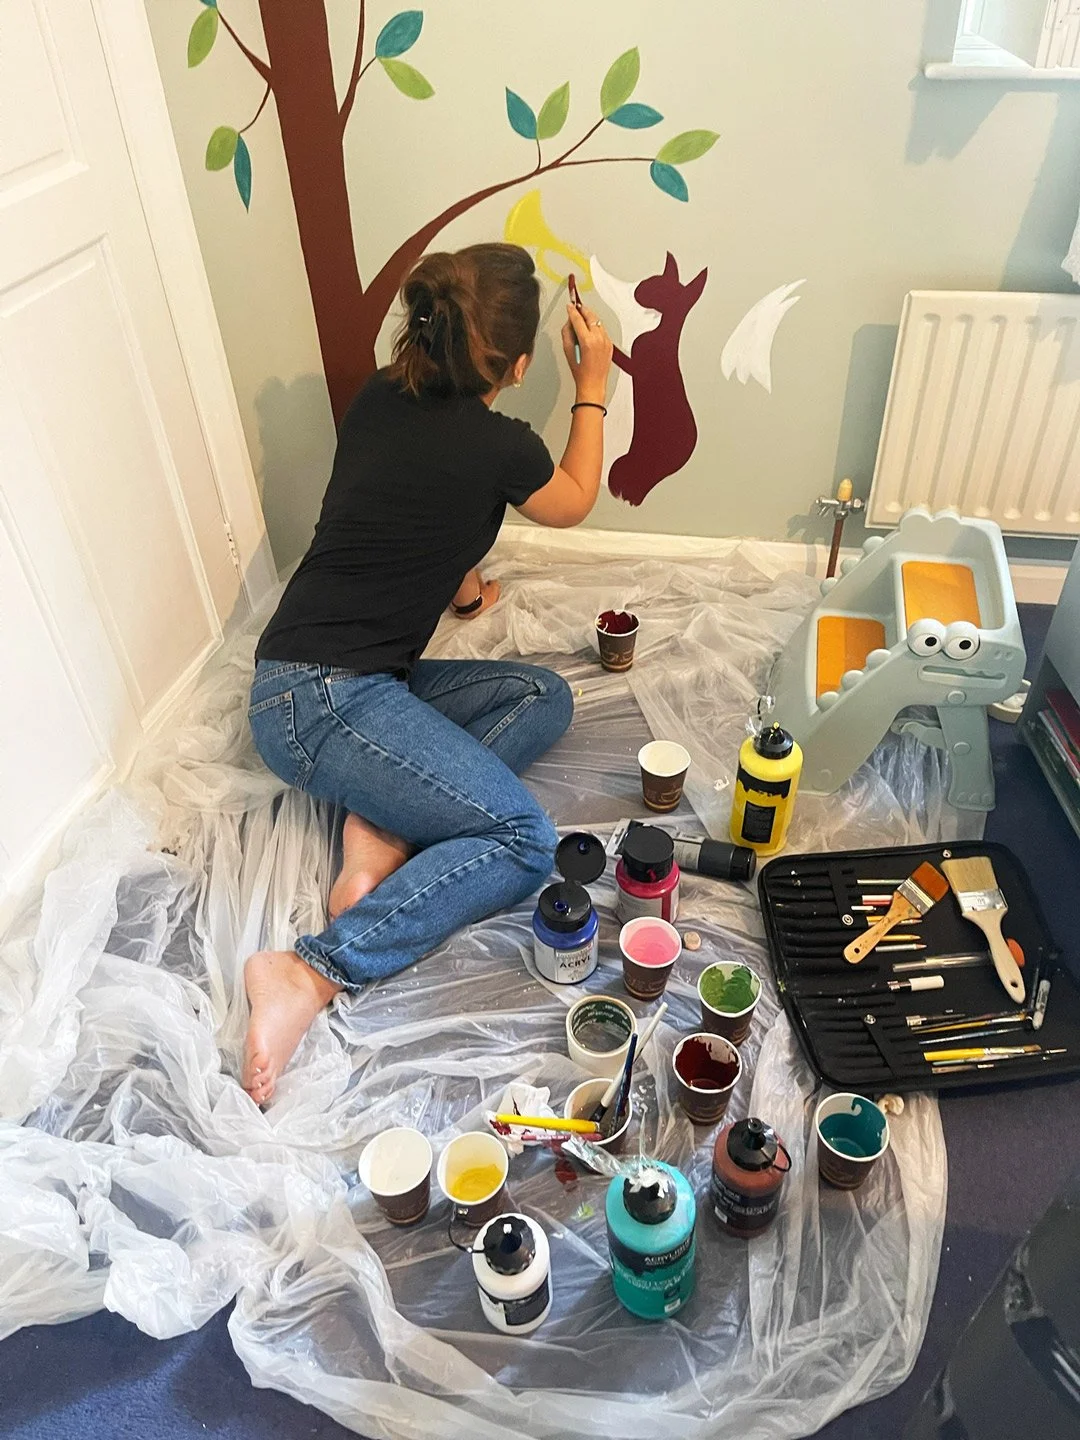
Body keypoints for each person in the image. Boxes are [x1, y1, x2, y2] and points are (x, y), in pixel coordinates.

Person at [242, 242, 613, 1103]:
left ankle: (385, 831)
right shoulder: (504, 447)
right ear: (518, 365)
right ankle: (311, 970)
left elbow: (410, 507)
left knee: (540, 693)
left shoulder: (381, 394)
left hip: (336, 678)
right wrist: (595, 382)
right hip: (320, 700)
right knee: (522, 841)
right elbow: (573, 498)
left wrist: (467, 580)